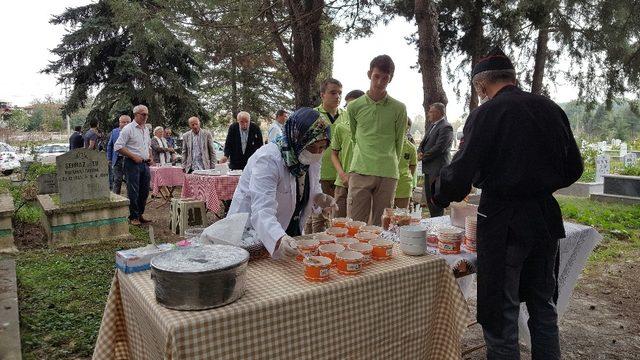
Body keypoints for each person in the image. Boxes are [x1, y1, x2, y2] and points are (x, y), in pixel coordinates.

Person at [431, 48, 583, 359]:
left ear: (481, 87)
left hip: (504, 222)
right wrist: (541, 185)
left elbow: (461, 172)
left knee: (501, 312)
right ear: (512, 79)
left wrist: (437, 190)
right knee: (543, 306)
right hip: (543, 217)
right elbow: (574, 168)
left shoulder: (487, 114)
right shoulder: (550, 108)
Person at [227, 107, 338, 257]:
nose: (317, 153)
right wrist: (279, 237)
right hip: (253, 234)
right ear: (297, 138)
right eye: (312, 147)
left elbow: (310, 186)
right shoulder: (268, 159)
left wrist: (318, 197)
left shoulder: (310, 158)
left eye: (322, 147)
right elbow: (261, 210)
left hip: (290, 228)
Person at [347, 55, 407, 226]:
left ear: (391, 79)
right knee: (355, 224)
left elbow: (399, 142)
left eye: (385, 78)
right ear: (369, 74)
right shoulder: (354, 106)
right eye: (376, 76)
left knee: (382, 227)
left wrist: (390, 163)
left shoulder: (399, 108)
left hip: (387, 172)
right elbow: (354, 137)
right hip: (360, 170)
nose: (380, 82)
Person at [305, 78, 344, 233]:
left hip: (340, 174)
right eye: (333, 92)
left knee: (336, 215)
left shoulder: (347, 116)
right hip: (319, 172)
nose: (337, 97)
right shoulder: (313, 115)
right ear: (322, 95)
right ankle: (313, 248)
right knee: (317, 216)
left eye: (340, 93)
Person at [114, 105, 154, 226]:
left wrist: (150, 156)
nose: (145, 117)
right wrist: (133, 156)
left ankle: (140, 214)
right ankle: (133, 217)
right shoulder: (128, 129)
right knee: (133, 191)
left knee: (144, 190)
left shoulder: (146, 129)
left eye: (147, 114)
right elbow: (118, 146)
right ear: (136, 115)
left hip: (145, 164)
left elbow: (148, 145)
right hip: (132, 164)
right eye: (143, 114)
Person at [330, 89, 364, 217]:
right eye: (348, 106)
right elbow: (334, 154)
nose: (351, 110)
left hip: (362, 183)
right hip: (342, 182)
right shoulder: (341, 127)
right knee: (338, 220)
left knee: (359, 221)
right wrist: (342, 175)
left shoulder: (369, 130)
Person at [418, 102, 453, 217]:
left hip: (437, 170)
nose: (428, 114)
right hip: (428, 169)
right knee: (429, 200)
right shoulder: (432, 126)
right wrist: (419, 152)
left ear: (438, 112)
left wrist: (424, 156)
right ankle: (434, 221)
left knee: (436, 201)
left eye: (431, 111)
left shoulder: (446, 127)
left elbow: (439, 148)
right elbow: (423, 144)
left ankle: (438, 225)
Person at [394, 118, 418, 209]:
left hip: (403, 186)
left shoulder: (411, 147)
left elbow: (413, 166)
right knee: (384, 217)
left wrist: (406, 179)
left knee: (401, 217)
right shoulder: (386, 145)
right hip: (385, 185)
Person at [107, 115, 131, 194]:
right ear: (119, 123)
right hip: (117, 159)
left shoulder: (133, 132)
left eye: (128, 122)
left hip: (130, 159)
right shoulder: (114, 132)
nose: (126, 124)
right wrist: (109, 159)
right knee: (117, 179)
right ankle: (116, 197)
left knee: (129, 180)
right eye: (124, 122)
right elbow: (110, 145)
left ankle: (130, 199)